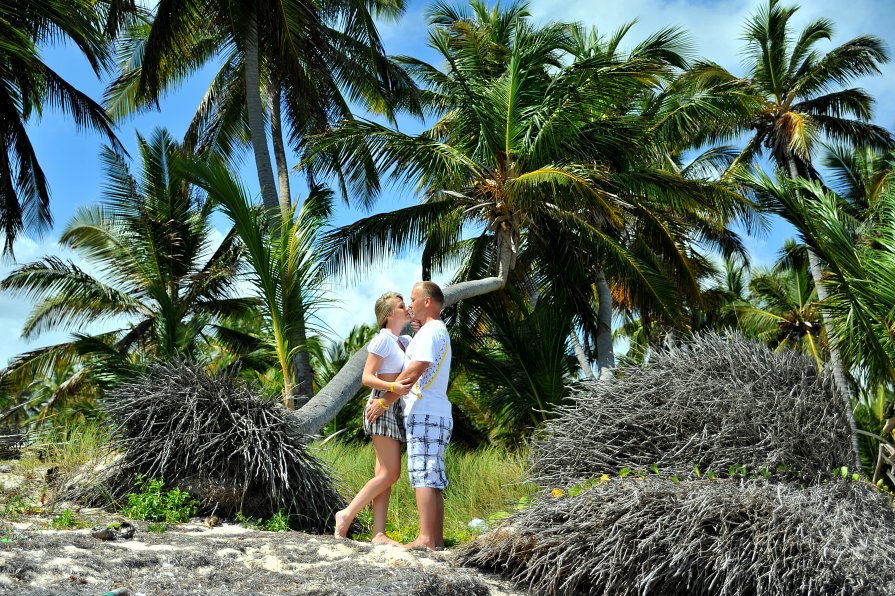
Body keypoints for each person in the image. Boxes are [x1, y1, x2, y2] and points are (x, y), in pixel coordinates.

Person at [366, 281, 452, 550]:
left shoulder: (430, 332)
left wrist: (384, 402)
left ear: (427, 302)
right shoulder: (432, 331)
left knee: (424, 473)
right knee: (432, 475)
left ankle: (426, 538)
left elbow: (414, 371)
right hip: (435, 410)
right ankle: (435, 540)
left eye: (413, 299)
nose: (411, 305)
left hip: (425, 411)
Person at [334, 292, 414, 544]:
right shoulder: (383, 340)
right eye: (401, 306)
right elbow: (366, 377)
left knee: (384, 474)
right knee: (390, 473)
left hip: (393, 407)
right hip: (380, 404)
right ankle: (346, 515)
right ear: (389, 315)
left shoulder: (404, 340)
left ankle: (378, 533)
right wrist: (392, 390)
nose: (407, 308)